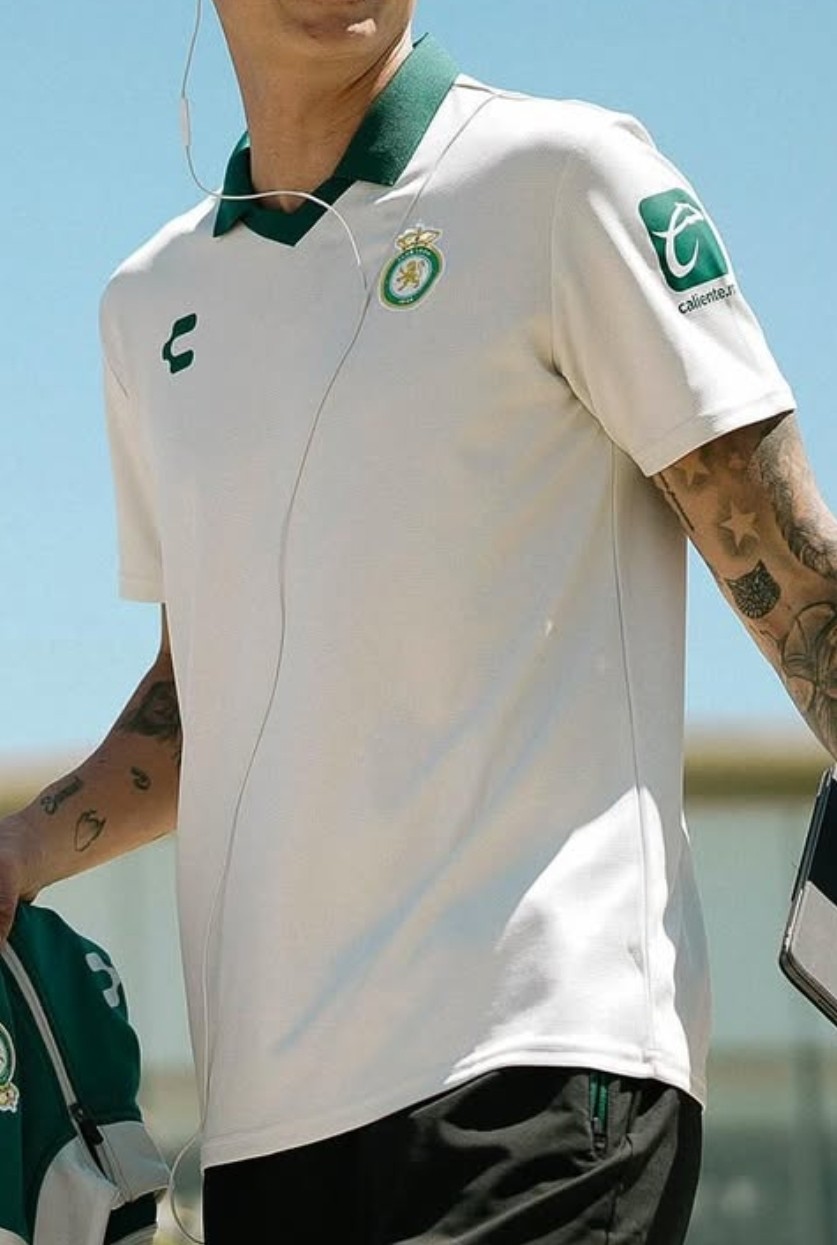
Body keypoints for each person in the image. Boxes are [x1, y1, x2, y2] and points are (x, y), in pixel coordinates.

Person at [2, 1, 836, 1241]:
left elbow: (795, 574)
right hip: (268, 1125)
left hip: (546, 1065)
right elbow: (199, 695)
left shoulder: (566, 179)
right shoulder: (149, 304)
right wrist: (20, 852)